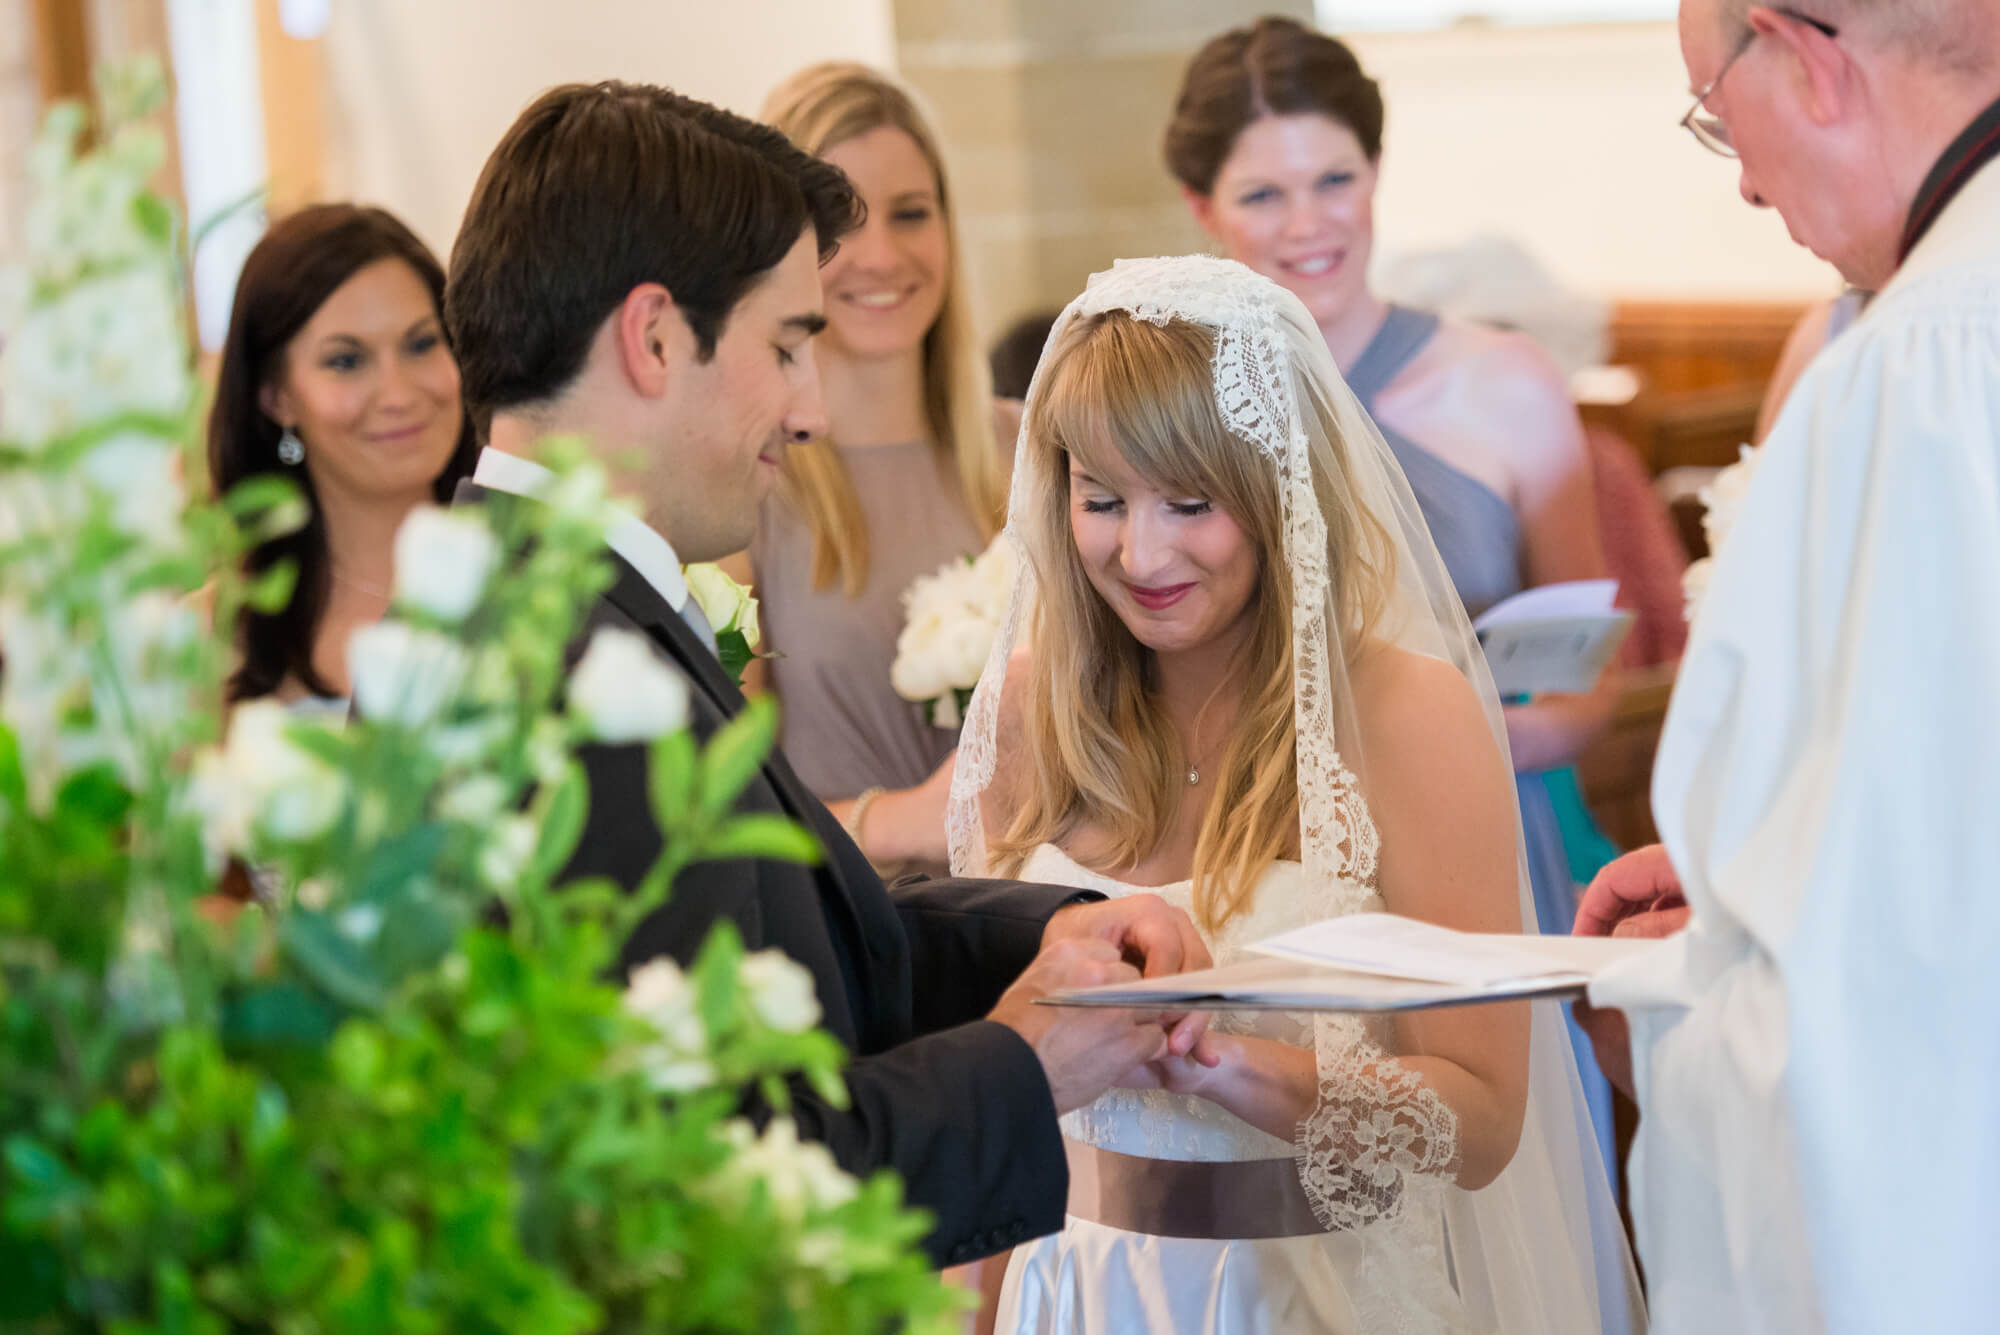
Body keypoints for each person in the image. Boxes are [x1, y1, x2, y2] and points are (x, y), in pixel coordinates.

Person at [441, 79, 1214, 1269]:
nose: (808, 405)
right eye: (786, 342)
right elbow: (707, 1173)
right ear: (653, 338)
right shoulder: (572, 671)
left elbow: (780, 942)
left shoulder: (532, 593)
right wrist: (1027, 1062)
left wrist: (1065, 928)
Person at [950, 254, 1643, 1333]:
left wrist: (1235, 1068)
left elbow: (1484, 1119)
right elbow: (995, 1078)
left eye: (1189, 502)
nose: (1140, 552)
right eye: (1100, 499)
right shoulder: (1031, 708)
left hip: (1310, 1296)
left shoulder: (1402, 716)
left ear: (1281, 497)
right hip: (1067, 1287)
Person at [1572, 2, 2000, 1329]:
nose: (1747, 180)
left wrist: (1649, 989)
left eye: (1718, 113)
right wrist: (1744, 875)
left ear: (1805, 57)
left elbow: (1898, 985)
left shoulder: (1926, 363)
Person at [1164, 14, 1624, 1180]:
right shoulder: (1179, 411)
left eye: (1334, 179)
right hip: (1260, 866)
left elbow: (1592, 685)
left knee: (1501, 1167)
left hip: (1489, 839)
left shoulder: (1502, 385)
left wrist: (1444, 748)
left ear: (1375, 176)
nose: (1307, 223)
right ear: (1199, 206)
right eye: (1262, 194)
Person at [726, 62, 1008, 873]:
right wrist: (898, 824)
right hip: (858, 952)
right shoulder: (742, 494)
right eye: (840, 223)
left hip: (1062, 928)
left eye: (912, 213)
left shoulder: (1045, 453)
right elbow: (717, 816)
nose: (880, 254)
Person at [209, 203, 478, 707]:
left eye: (421, 344)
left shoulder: (538, 584)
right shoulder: (215, 636)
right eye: (346, 361)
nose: (397, 394)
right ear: (275, 397)